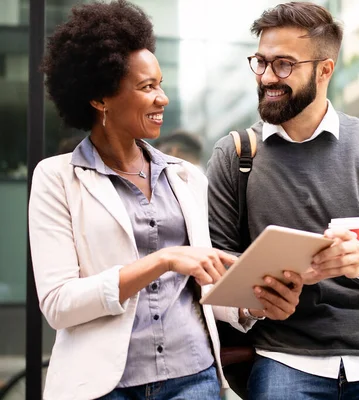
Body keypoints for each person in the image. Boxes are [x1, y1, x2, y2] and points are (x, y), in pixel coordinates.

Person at [29, 1, 302, 399]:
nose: (163, 99)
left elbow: (205, 284)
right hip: (105, 386)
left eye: (161, 84)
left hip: (193, 378)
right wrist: (163, 260)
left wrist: (254, 305)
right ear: (100, 98)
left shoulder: (186, 176)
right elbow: (59, 304)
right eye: (147, 87)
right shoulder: (57, 178)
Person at [206, 2, 359, 399]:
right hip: (284, 355)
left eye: (284, 65)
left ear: (324, 70)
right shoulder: (236, 154)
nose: (268, 77)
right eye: (261, 62)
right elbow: (217, 264)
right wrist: (255, 302)